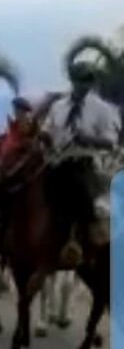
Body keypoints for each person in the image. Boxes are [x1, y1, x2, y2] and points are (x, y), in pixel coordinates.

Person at [42, 62, 121, 261]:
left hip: (85, 161)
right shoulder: (58, 106)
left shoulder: (102, 108)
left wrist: (88, 138)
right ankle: (4, 234)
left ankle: (79, 239)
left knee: (79, 189)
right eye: (80, 80)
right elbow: (47, 129)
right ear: (72, 81)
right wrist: (43, 136)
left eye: (88, 80)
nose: (84, 84)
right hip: (56, 161)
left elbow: (111, 141)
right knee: (22, 183)